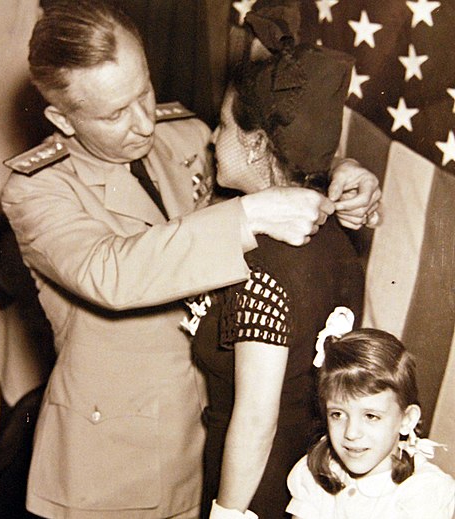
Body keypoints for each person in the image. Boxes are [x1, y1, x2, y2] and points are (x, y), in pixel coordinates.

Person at [1, 1, 380, 517]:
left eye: (144, 92)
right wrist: (248, 216)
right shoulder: (38, 191)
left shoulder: (178, 132)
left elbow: (256, 157)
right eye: (114, 113)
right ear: (60, 119)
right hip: (114, 466)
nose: (141, 124)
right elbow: (115, 272)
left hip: (212, 447)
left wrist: (339, 173)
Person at [190, 7, 365, 518]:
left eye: (223, 126)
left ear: (257, 142)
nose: (212, 139)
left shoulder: (262, 264)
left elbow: (256, 416)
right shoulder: (333, 225)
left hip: (256, 485)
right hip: (309, 469)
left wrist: (228, 512)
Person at [286, 320, 455, 518]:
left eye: (371, 416)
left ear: (407, 419)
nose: (351, 432)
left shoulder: (424, 491)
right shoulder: (316, 474)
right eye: (338, 414)